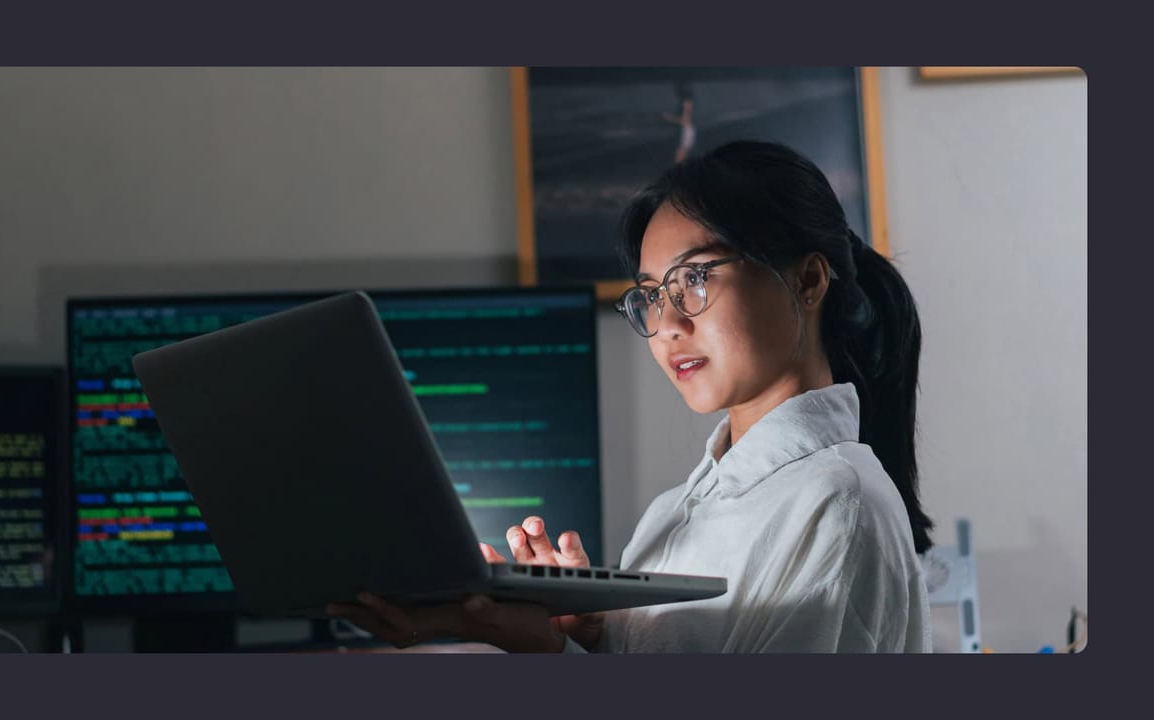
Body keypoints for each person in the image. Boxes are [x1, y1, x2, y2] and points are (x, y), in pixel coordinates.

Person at [328, 140, 934, 653]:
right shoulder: (671, 513)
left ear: (807, 280)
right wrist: (580, 630)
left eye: (695, 278)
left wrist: (549, 651)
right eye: (650, 294)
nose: (667, 323)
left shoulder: (838, 503)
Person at [661, 81, 696, 163]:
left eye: (678, 89)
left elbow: (685, 120)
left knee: (680, 155)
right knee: (681, 155)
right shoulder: (687, 102)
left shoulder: (687, 103)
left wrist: (668, 118)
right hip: (686, 130)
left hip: (686, 131)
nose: (676, 92)